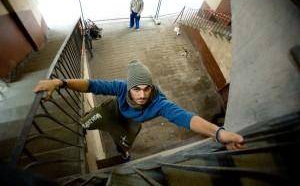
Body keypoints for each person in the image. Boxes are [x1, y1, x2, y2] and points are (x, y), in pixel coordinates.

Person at [34, 60, 244, 160]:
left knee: (124, 143)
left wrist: (218, 133)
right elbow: (92, 84)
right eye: (136, 89)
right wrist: (61, 82)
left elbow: (185, 117)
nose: (142, 95)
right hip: (112, 111)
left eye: (146, 89)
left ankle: (123, 154)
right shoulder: (120, 87)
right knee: (88, 121)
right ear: (129, 87)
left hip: (130, 124)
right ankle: (83, 126)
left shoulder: (159, 103)